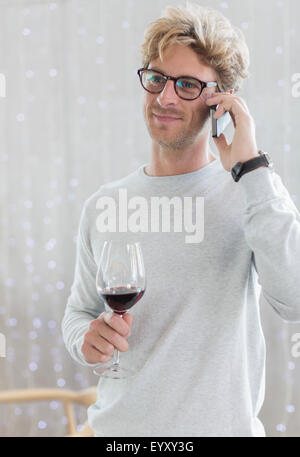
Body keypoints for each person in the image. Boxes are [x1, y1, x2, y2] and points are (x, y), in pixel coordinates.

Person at [61, 2, 300, 437]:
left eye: (188, 85)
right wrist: (84, 340)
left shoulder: (251, 193)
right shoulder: (104, 204)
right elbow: (78, 313)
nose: (165, 97)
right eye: (157, 79)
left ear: (221, 100)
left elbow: (295, 298)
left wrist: (251, 168)